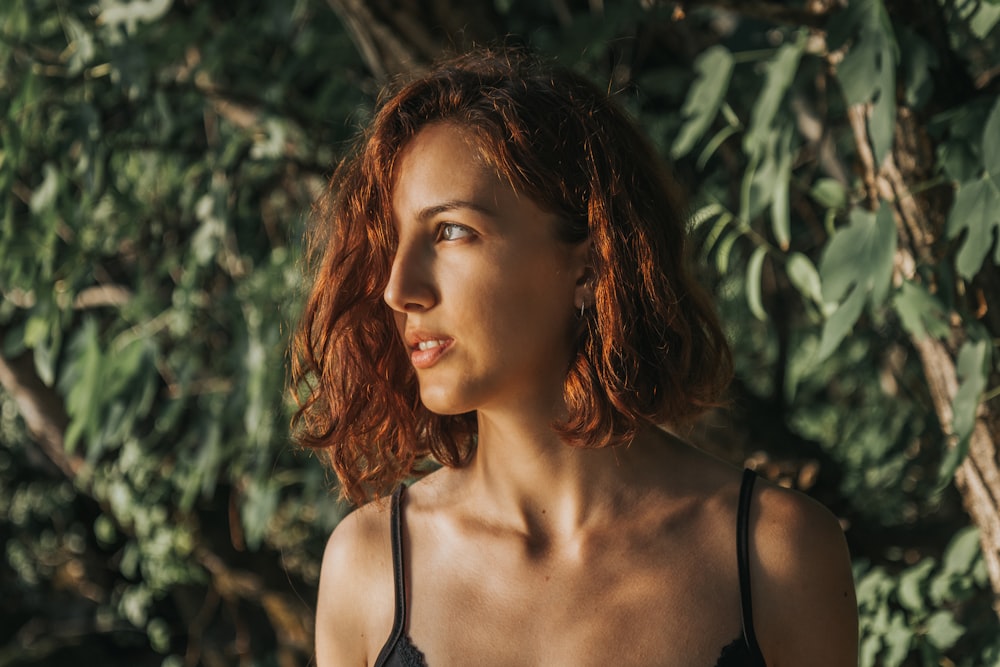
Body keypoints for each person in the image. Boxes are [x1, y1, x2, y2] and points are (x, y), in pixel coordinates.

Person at [291, 46, 858, 667]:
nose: (400, 290)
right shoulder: (369, 568)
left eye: (452, 231)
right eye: (396, 242)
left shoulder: (776, 555)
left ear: (588, 260)